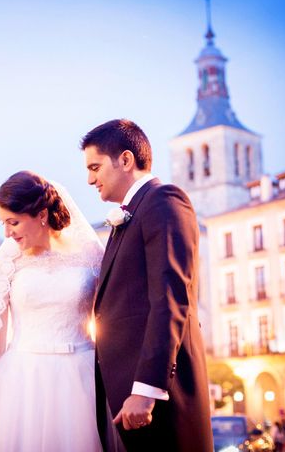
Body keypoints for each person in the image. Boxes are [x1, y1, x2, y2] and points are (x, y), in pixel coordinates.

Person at [0, 171, 107, 451]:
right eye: (3, 223)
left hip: (80, 379)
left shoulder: (90, 253)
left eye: (13, 222)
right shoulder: (8, 258)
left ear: (40, 214)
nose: (7, 232)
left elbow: (111, 318)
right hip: (21, 381)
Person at [81, 119, 213, 452]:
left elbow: (171, 299)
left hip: (160, 400)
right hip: (128, 400)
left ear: (125, 160)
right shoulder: (127, 216)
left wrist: (147, 389)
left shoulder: (163, 200)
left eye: (95, 167)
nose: (89, 179)